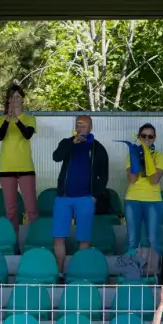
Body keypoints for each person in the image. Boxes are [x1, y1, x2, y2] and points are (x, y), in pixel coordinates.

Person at [51, 115, 110, 276]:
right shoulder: (67, 142)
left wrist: (94, 196)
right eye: (78, 124)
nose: (80, 127)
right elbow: (56, 157)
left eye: (84, 125)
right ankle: (60, 273)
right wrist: (72, 143)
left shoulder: (97, 148)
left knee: (83, 239)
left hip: (85, 198)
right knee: (58, 237)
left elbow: (103, 175)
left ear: (90, 127)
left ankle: (79, 272)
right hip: (63, 198)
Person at [0, 84, 39, 239]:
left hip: (25, 168)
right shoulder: (1, 119)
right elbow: (0, 136)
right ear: (8, 100)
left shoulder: (29, 118)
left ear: (22, 99)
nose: (15, 99)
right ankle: (13, 241)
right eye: (12, 97)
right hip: (6, 168)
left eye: (18, 97)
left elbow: (27, 134)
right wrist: (8, 118)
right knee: (11, 210)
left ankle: (35, 239)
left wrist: (17, 120)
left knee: (31, 208)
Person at [123, 123, 163, 277]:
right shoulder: (132, 154)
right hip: (132, 199)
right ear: (139, 137)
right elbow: (132, 179)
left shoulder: (159, 156)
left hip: (153, 201)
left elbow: (154, 180)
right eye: (143, 136)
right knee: (132, 241)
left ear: (154, 138)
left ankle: (153, 275)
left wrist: (148, 158)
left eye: (150, 136)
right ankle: (132, 276)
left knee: (153, 240)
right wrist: (138, 158)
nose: (147, 139)